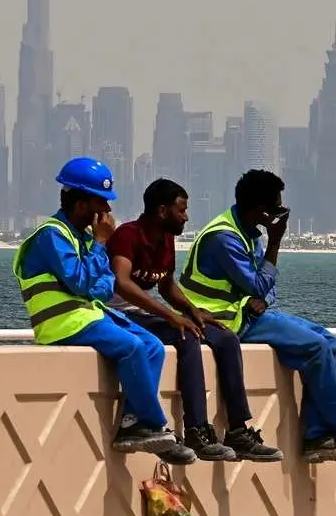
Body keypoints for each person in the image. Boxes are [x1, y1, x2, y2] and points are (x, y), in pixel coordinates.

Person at [178, 169, 336, 474]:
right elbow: (260, 283)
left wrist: (263, 295)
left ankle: (317, 435)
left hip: (247, 312)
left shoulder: (247, 232)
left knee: (328, 342)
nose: (280, 215)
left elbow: (266, 287)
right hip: (226, 322)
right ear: (261, 210)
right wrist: (275, 242)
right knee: (314, 347)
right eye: (277, 209)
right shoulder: (224, 238)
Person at [14, 157, 196, 463]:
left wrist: (95, 256)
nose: (108, 212)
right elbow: (83, 282)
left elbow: (104, 285)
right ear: (82, 202)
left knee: (153, 347)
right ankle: (154, 425)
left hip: (89, 314)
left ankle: (131, 424)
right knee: (132, 347)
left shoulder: (83, 238)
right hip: (63, 323)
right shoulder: (52, 235)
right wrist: (100, 245)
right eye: (102, 202)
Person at [108, 178, 282, 462]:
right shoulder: (128, 235)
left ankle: (238, 430)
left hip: (146, 314)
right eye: (181, 210)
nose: (186, 217)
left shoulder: (165, 239)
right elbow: (122, 283)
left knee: (225, 338)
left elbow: (166, 286)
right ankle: (197, 429)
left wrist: (192, 312)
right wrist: (170, 316)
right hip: (119, 315)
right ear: (162, 211)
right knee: (186, 337)